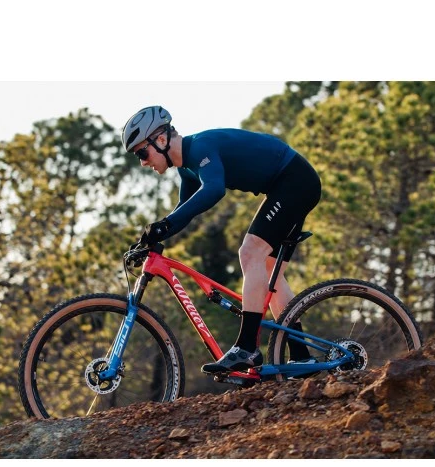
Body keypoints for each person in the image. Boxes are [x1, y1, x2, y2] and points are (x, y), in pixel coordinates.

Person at [123, 104, 322, 374]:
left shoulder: (199, 148)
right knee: (268, 272)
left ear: (160, 140)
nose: (143, 162)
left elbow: (214, 189)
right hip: (289, 184)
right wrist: (151, 238)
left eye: (142, 153)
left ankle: (247, 348)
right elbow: (184, 211)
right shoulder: (186, 168)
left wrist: (164, 225)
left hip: (294, 181)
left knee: (250, 253)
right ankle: (302, 357)